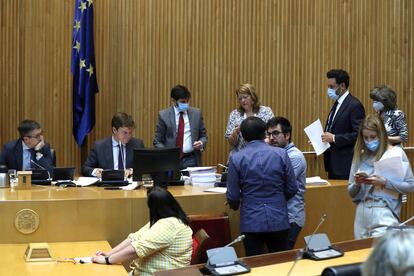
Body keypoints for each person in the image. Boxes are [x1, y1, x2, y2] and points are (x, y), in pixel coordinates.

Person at [226, 116, 298, 256]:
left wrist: (236, 205)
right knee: (280, 265)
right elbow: (292, 188)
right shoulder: (282, 154)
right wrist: (278, 200)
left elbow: (233, 197)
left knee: (255, 266)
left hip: (251, 220)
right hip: (279, 219)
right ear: (265, 133)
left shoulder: (236, 158)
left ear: (243, 136)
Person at [92, 187, 193, 276]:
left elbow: (137, 249)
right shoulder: (163, 220)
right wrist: (108, 254)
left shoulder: (169, 224)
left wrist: (107, 260)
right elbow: (134, 238)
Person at [348, 114, 414, 239]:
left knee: (381, 256)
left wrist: (385, 182)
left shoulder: (396, 153)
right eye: (365, 138)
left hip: (384, 211)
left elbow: (411, 186)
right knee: (360, 257)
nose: (369, 141)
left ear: (382, 135)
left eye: (373, 137)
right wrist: (357, 183)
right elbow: (350, 192)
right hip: (362, 211)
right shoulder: (360, 155)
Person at [266, 117, 306, 249]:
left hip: (291, 217)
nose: (271, 138)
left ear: (287, 135)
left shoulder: (295, 156)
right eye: (269, 134)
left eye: (276, 133)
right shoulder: (275, 154)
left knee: (282, 259)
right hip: (277, 216)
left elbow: (278, 185)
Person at [323, 69, 365, 179]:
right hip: (333, 162)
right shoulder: (337, 104)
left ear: (342, 86)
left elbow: (359, 135)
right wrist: (322, 139)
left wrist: (335, 138)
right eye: (328, 87)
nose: (329, 90)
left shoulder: (354, 105)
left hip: (345, 165)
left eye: (331, 87)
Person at [153, 85, 208, 169]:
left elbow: (203, 136)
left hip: (191, 159)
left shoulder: (196, 114)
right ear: (173, 101)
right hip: (170, 160)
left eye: (187, 101)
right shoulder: (164, 115)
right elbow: (157, 141)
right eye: (182, 102)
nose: (186, 104)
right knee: (173, 182)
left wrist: (201, 143)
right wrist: (166, 153)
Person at [82, 112, 144, 177]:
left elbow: (144, 167)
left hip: (130, 185)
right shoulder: (99, 146)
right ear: (114, 130)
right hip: (106, 185)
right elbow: (85, 168)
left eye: (130, 133)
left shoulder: (137, 145)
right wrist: (95, 171)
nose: (128, 136)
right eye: (125, 133)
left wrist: (131, 171)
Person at [225, 83, 274, 155]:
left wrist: (265, 141)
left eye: (245, 97)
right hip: (240, 156)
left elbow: (272, 133)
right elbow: (231, 142)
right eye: (240, 99)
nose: (242, 100)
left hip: (263, 155)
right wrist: (236, 132)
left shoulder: (265, 111)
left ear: (253, 97)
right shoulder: (235, 114)